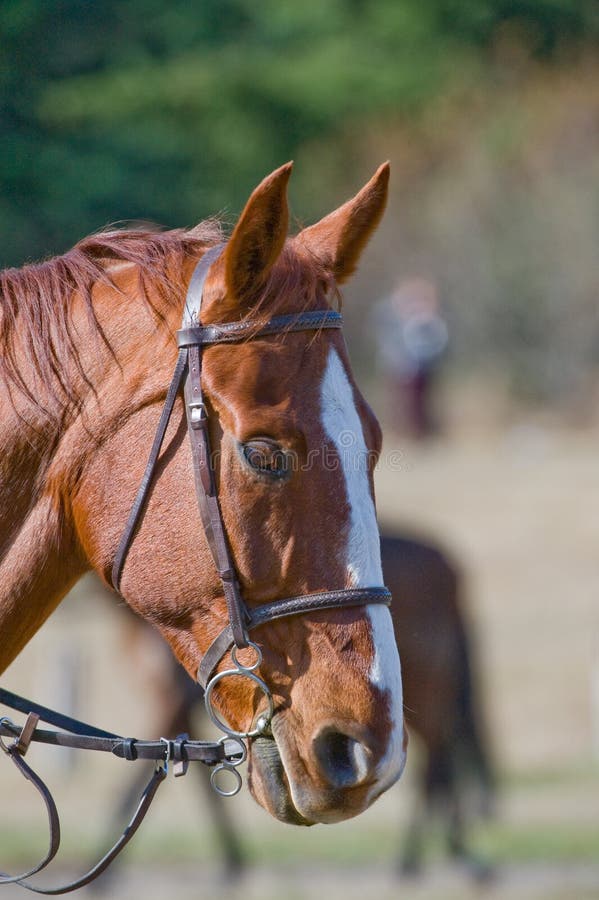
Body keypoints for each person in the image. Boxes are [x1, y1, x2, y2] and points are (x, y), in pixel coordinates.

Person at [374, 277, 448, 439]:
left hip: (421, 368)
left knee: (420, 403)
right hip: (398, 366)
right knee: (400, 403)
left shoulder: (425, 317)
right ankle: (402, 432)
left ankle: (421, 433)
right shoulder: (389, 313)